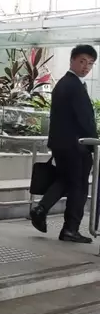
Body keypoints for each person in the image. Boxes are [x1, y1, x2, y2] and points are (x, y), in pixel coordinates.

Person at [30, 44, 98, 244]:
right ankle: (70, 229)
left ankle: (41, 209)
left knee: (66, 180)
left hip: (63, 144)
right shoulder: (73, 86)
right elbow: (85, 119)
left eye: (90, 64)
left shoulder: (64, 83)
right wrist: (94, 143)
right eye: (82, 61)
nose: (86, 67)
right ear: (72, 60)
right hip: (76, 146)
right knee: (78, 187)